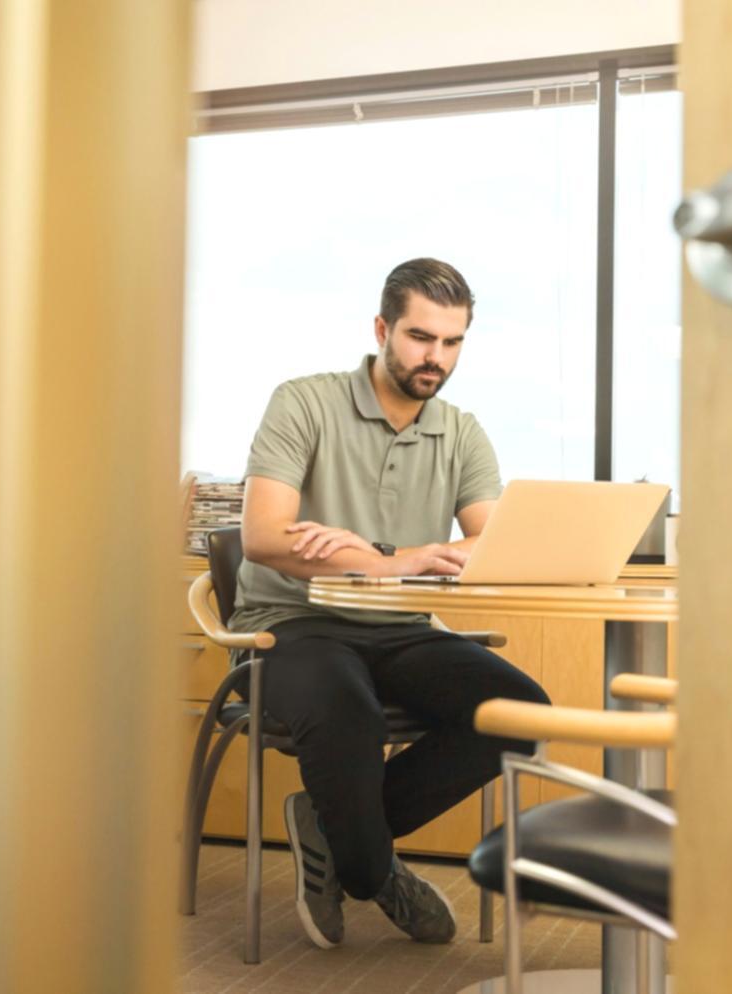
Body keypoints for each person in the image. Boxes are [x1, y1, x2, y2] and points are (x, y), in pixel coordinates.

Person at [229, 257, 549, 948]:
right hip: (292, 622)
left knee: (519, 714)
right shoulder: (304, 401)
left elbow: (487, 548)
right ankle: (377, 873)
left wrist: (372, 556)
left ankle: (333, 827)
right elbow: (262, 536)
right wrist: (392, 559)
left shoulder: (461, 432)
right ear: (382, 328)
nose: (436, 357)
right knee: (347, 710)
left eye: (452, 342)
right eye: (420, 337)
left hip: (403, 627)